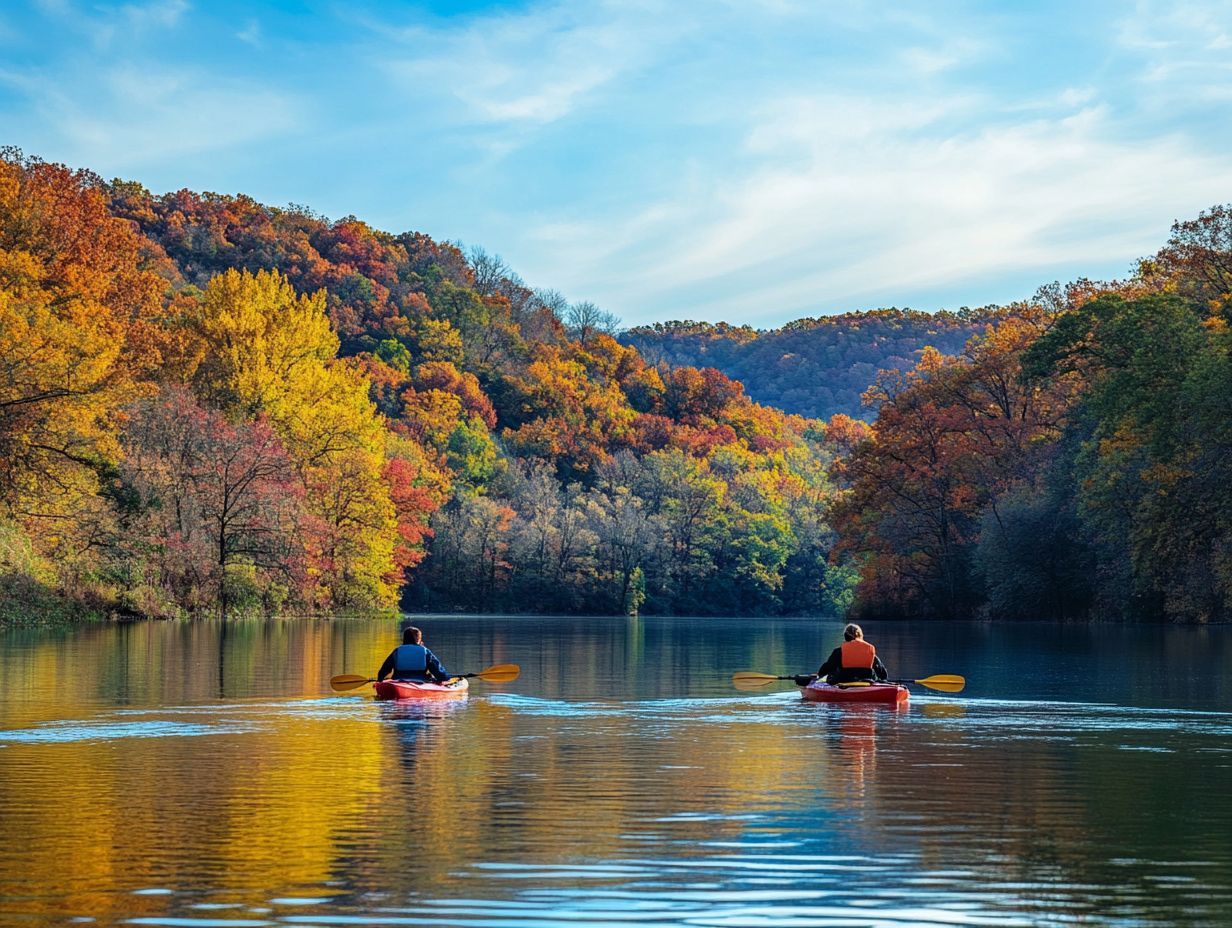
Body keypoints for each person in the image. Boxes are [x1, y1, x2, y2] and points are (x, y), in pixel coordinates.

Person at [814, 623, 889, 684]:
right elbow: (883, 674)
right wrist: (883, 680)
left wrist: (819, 675)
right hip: (867, 681)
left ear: (845, 637)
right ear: (860, 636)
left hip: (845, 681)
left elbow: (827, 668)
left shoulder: (839, 651)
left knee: (833, 674)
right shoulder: (869, 650)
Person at [376, 626, 450, 683]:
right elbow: (439, 673)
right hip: (420, 682)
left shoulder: (397, 651)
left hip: (398, 682)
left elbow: (383, 671)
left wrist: (379, 680)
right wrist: (446, 678)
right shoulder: (425, 651)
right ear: (418, 640)